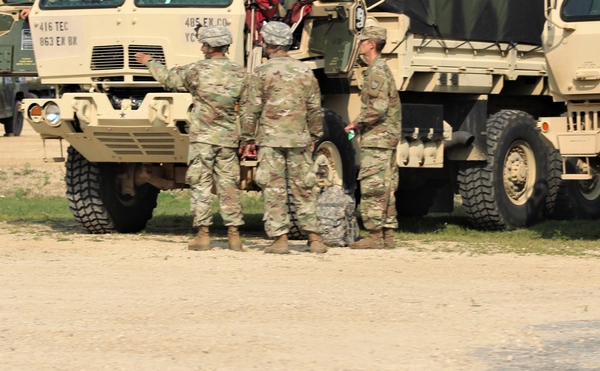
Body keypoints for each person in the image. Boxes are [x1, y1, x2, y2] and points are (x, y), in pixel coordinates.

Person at [134, 26, 248, 251]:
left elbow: (168, 79)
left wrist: (149, 61)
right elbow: (247, 107)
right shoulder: (240, 73)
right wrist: (247, 138)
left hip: (202, 139)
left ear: (211, 46)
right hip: (228, 139)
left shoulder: (196, 70)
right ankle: (234, 236)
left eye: (204, 44)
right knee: (228, 186)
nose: (201, 48)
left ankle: (203, 235)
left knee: (201, 184)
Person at [240, 21, 327, 254]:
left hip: (270, 140)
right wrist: (314, 135)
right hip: (299, 138)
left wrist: (248, 139)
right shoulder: (305, 71)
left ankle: (280, 239)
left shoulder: (261, 72)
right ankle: (315, 238)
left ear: (269, 44)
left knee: (274, 189)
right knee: (305, 187)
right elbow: (314, 108)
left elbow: (251, 109)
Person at [344, 25, 402, 249]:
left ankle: (375, 236)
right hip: (385, 138)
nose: (359, 44)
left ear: (371, 44)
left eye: (362, 41)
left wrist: (356, 124)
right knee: (387, 187)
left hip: (378, 139)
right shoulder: (381, 69)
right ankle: (387, 236)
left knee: (373, 186)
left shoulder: (376, 71)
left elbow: (377, 107)